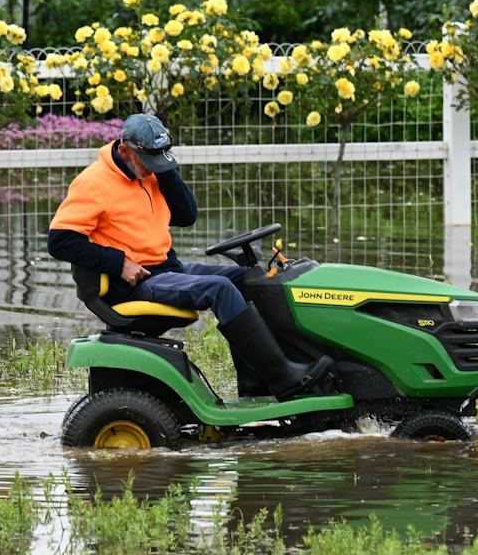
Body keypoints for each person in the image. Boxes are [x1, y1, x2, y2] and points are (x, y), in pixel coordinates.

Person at [47, 112, 331, 401]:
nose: (153, 169)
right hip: (137, 282)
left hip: (168, 268)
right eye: (149, 162)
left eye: (160, 160)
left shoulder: (151, 171)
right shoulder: (93, 183)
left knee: (249, 278)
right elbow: (60, 241)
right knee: (220, 289)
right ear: (124, 151)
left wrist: (166, 171)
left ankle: (255, 387)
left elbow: (186, 216)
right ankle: (286, 380)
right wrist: (119, 263)